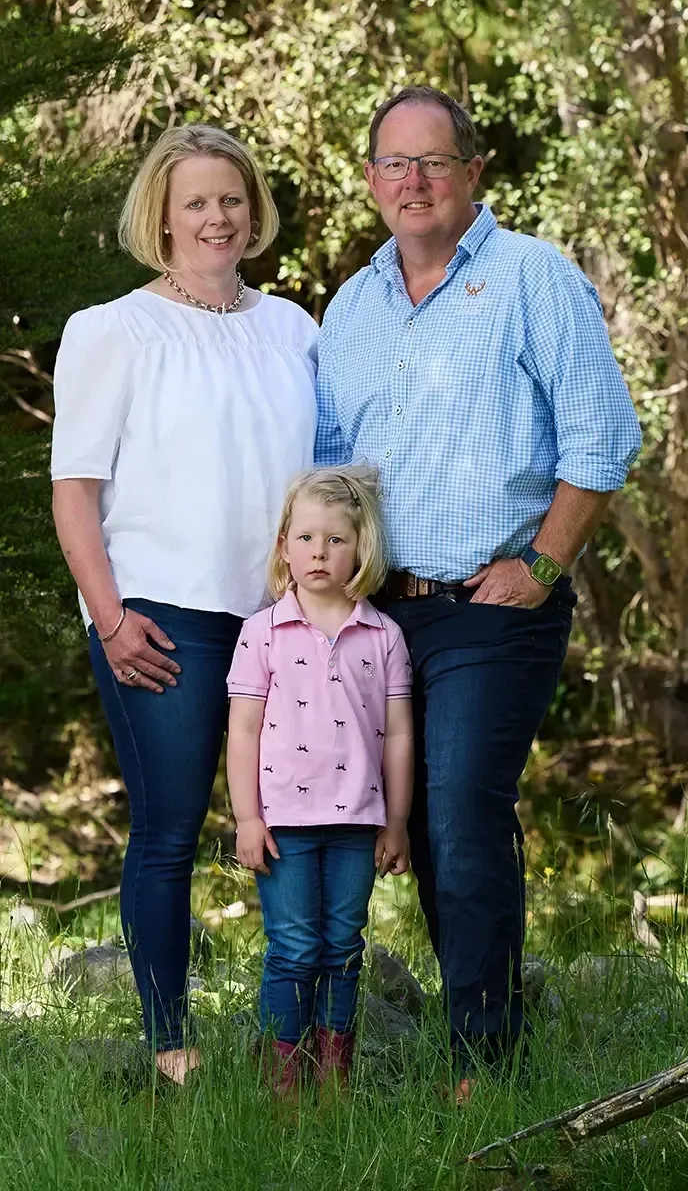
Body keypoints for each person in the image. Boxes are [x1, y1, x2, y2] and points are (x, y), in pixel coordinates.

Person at [315, 86, 643, 1093]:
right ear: (371, 181)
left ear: (474, 172)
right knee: (402, 826)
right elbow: (329, 467)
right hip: (377, 613)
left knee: (461, 806)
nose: (415, 182)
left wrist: (541, 566)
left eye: (435, 161)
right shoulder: (352, 305)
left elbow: (606, 438)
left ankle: (485, 1064)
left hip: (491, 606)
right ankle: (451, 1033)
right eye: (395, 165)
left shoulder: (532, 277)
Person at [50, 125, 318, 1086]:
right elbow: (74, 492)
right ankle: (171, 1043)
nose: (218, 217)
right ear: (160, 214)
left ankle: (295, 1041)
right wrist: (111, 617)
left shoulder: (294, 327)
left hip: (286, 620)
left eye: (233, 199)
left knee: (297, 822)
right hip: (164, 616)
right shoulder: (112, 330)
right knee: (170, 828)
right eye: (197, 201)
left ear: (255, 211)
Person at [226, 465, 416, 1097]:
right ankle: (283, 1080)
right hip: (283, 823)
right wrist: (248, 818)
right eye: (305, 538)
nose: (319, 552)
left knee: (342, 947)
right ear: (284, 545)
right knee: (293, 949)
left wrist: (397, 821)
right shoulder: (262, 633)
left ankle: (334, 1073)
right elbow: (244, 731)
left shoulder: (383, 635)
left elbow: (398, 734)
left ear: (361, 548)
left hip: (359, 823)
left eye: (336, 540)